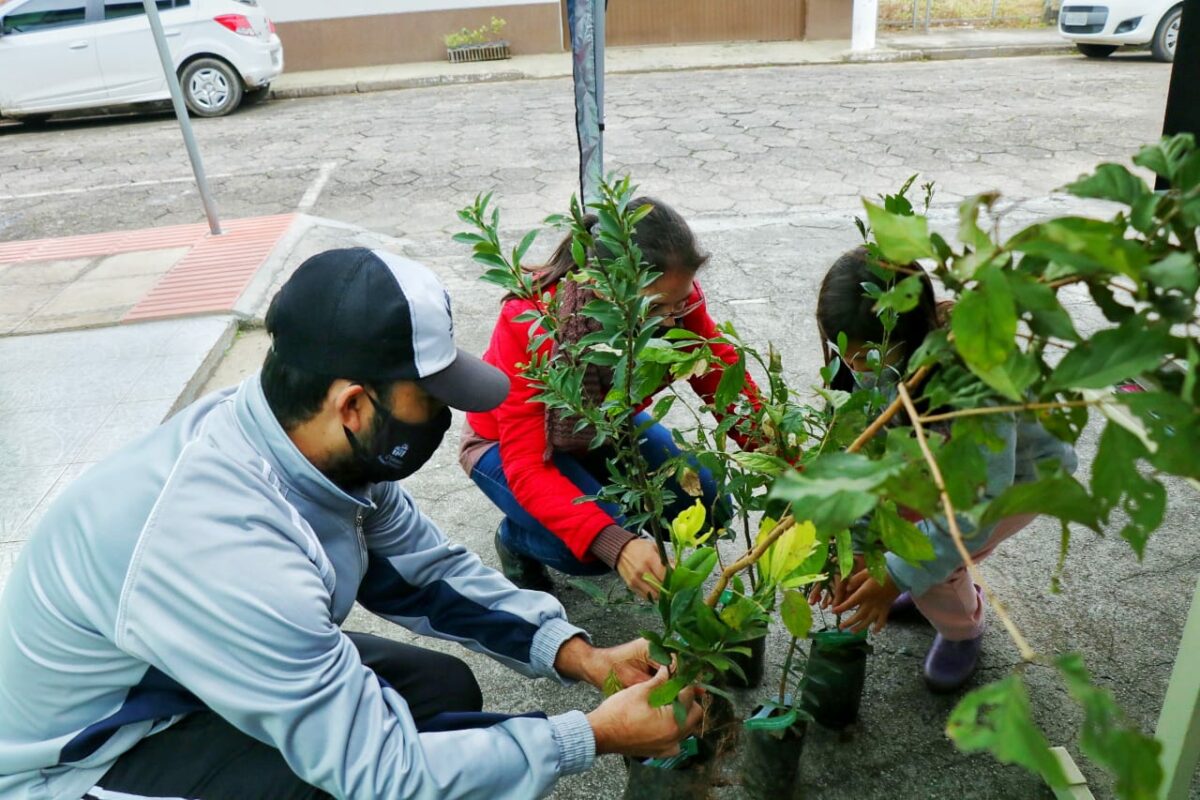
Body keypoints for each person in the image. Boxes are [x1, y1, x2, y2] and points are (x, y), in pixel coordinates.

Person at [0, 248, 703, 800]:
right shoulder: (227, 546)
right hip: (91, 760)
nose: (445, 417)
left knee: (440, 693)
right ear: (353, 405)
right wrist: (592, 738)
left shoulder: (308, 450)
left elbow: (428, 576)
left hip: (196, 675)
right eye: (429, 397)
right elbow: (381, 774)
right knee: (351, 785)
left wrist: (582, 656)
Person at [459, 198, 759, 600]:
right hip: (505, 448)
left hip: (606, 427)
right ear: (604, 288)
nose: (672, 321)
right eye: (656, 308)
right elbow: (528, 468)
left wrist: (789, 463)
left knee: (705, 504)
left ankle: (592, 495)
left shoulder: (672, 295)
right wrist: (617, 544)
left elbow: (723, 381)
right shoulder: (532, 323)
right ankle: (516, 537)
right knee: (589, 550)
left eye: (679, 302)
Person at [813, 247, 1078, 692]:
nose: (857, 370)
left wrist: (898, 572)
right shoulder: (877, 356)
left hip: (1019, 482)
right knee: (897, 541)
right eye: (849, 358)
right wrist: (853, 545)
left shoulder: (977, 382)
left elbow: (971, 514)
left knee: (933, 557)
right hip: (939, 461)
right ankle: (922, 588)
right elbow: (865, 453)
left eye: (869, 359)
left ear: (911, 335)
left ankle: (962, 629)